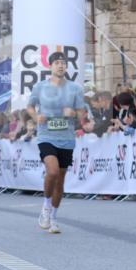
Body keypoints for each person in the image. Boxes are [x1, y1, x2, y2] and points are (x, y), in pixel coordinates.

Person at [25, 51, 87, 235]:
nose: (61, 65)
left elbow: (82, 113)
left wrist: (74, 114)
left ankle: (53, 218)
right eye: (57, 63)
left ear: (66, 66)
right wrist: (37, 117)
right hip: (46, 136)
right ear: (50, 66)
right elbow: (30, 107)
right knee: (51, 171)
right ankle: (45, 206)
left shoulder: (75, 88)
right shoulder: (40, 87)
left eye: (63, 63)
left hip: (67, 139)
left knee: (60, 182)